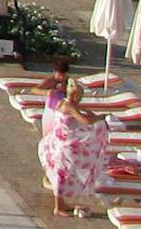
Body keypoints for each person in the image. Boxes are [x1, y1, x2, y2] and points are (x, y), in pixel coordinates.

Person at [37, 75, 109, 218]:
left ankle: (61, 203)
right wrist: (99, 117)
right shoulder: (69, 107)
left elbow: (79, 109)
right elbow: (86, 121)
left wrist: (88, 111)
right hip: (64, 146)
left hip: (57, 142)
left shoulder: (63, 102)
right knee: (62, 174)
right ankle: (58, 207)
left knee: (60, 173)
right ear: (75, 96)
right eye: (79, 98)